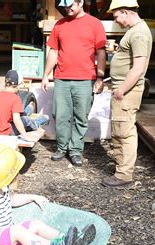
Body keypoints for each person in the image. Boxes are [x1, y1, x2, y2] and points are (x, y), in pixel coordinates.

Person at [0, 144, 96, 245]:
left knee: (35, 224)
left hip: (6, 238)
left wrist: (32, 197)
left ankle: (68, 241)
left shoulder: (1, 188)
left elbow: (12, 200)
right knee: (18, 230)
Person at [41, 0, 107, 167]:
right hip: (62, 78)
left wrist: (100, 76)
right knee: (60, 115)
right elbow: (54, 51)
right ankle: (62, 148)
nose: (67, 8)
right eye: (65, 5)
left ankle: (76, 150)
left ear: (81, 2)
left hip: (85, 79)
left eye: (71, 4)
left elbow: (101, 52)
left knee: (81, 117)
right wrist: (46, 74)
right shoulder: (60, 25)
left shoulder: (94, 24)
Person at [101, 0, 152, 188]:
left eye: (116, 17)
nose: (117, 22)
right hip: (123, 88)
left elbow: (138, 68)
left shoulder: (138, 34)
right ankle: (121, 168)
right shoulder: (134, 31)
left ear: (125, 12)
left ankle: (124, 175)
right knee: (120, 129)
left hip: (127, 90)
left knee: (125, 131)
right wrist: (117, 51)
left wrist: (122, 89)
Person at [0, 69, 50, 142]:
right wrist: (25, 136)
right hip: (2, 134)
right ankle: (39, 121)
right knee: (25, 120)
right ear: (18, 85)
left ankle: (28, 110)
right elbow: (17, 120)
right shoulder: (15, 98)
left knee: (20, 114)